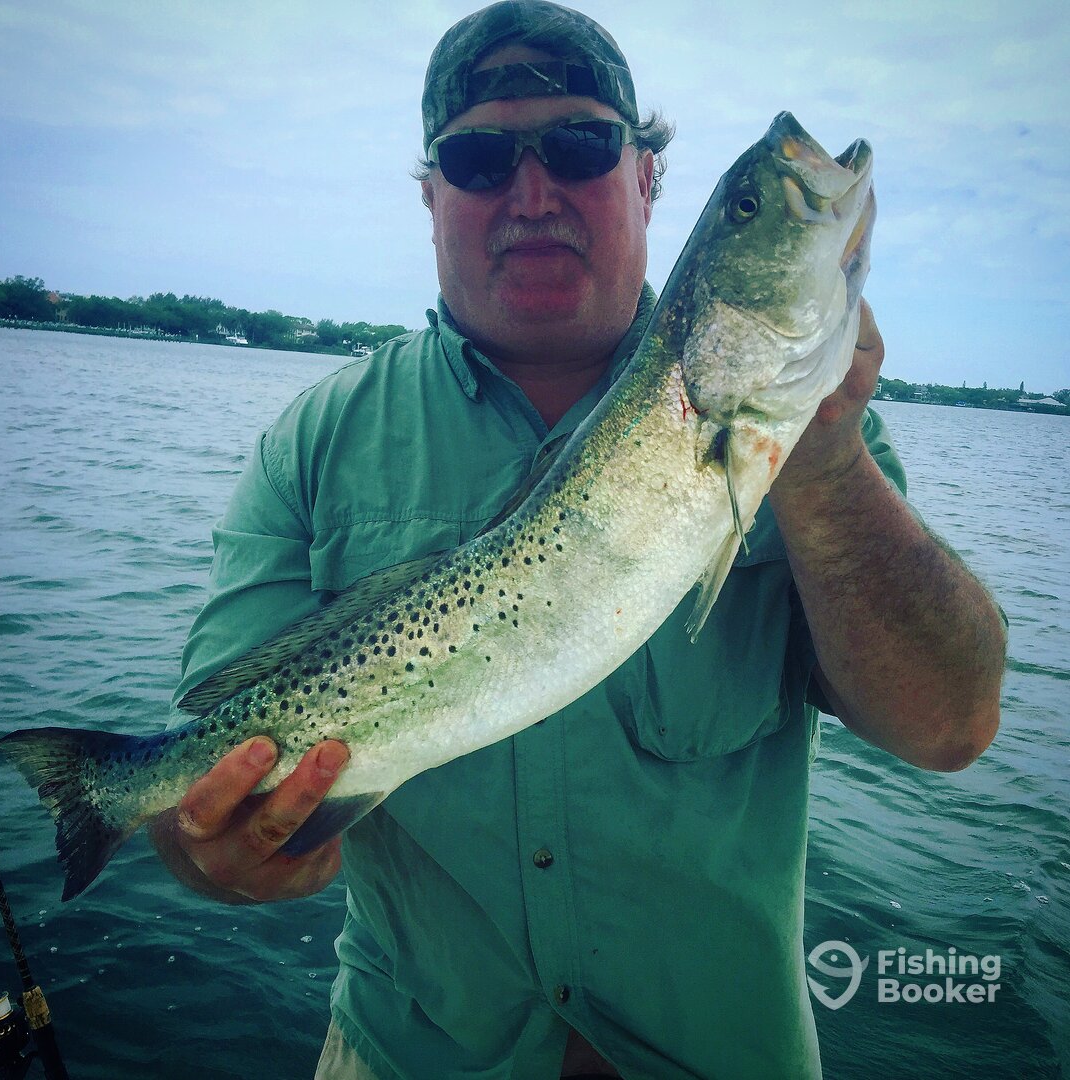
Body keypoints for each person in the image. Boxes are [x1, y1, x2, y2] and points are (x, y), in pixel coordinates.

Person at [149, 2, 1008, 1077]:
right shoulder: (313, 444)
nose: (532, 195)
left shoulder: (828, 433)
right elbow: (189, 795)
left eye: (579, 146)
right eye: (479, 160)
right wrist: (213, 847)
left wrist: (825, 461)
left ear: (647, 177)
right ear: (430, 197)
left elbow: (951, 728)